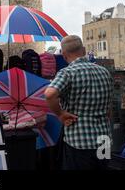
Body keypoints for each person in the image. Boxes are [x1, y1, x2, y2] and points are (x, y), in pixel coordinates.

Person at [45, 35, 113, 170]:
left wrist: (60, 114)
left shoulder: (67, 73)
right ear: (84, 50)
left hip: (79, 142)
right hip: (104, 139)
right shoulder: (104, 72)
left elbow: (49, 94)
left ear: (64, 55)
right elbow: (109, 107)